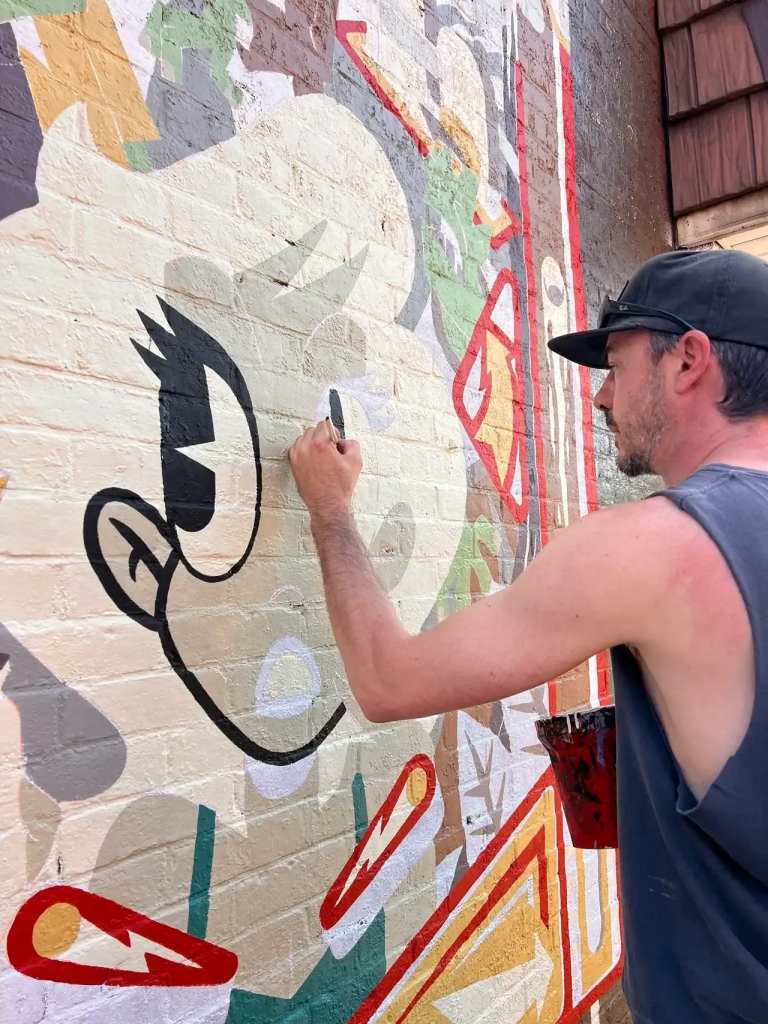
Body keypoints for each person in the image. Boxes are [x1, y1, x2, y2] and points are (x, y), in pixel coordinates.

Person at [289, 247, 768, 1023]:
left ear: (688, 360)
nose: (603, 398)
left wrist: (331, 513)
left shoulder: (657, 547)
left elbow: (388, 680)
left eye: (615, 364)